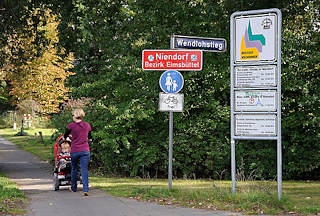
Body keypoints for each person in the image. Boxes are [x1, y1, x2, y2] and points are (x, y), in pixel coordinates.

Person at [64, 108, 92, 196]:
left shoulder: (71, 126)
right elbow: (90, 138)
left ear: (75, 116)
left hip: (75, 150)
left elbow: (65, 136)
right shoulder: (87, 125)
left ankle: (73, 188)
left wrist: (70, 139)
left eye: (72, 115)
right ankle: (85, 189)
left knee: (74, 168)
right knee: (84, 169)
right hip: (85, 150)